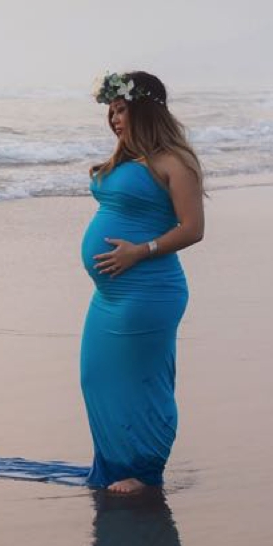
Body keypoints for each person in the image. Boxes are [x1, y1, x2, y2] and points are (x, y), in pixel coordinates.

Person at [80, 71, 206, 493]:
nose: (114, 119)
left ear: (145, 110)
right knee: (97, 377)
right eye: (111, 112)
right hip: (110, 294)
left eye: (121, 110)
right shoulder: (126, 160)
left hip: (149, 291)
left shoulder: (176, 162)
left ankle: (144, 470)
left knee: (142, 381)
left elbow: (193, 229)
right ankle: (115, 463)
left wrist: (140, 250)